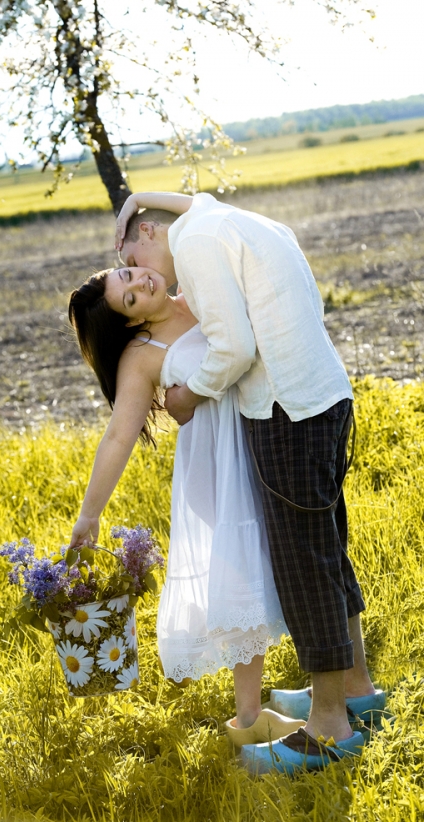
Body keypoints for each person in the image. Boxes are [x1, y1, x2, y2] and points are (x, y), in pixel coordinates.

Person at [115, 191, 386, 774]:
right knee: (326, 554)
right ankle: (356, 688)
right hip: (322, 394)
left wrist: (187, 394)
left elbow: (234, 347)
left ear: (151, 234)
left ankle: (330, 727)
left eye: (129, 256)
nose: (137, 271)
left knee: (304, 565)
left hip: (286, 410)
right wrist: (139, 197)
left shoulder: (199, 243)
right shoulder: (226, 220)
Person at [67, 265, 306, 748]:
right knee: (245, 583)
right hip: (218, 469)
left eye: (130, 275)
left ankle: (322, 678)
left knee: (293, 560)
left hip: (266, 440)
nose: (140, 284)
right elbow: (119, 435)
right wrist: (89, 513)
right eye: (129, 299)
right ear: (131, 323)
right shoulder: (141, 354)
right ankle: (248, 720)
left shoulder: (199, 287)